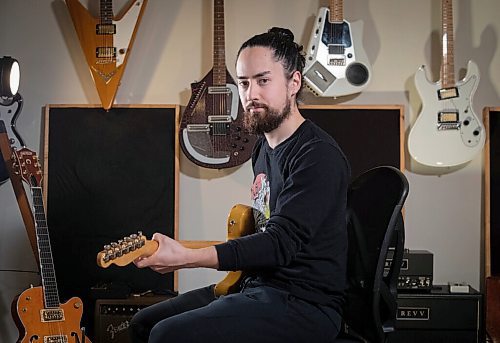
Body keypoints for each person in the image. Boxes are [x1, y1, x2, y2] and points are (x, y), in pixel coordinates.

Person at [129, 27, 350, 343]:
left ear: (294, 82)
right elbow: (263, 232)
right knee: (144, 323)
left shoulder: (317, 156)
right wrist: (174, 248)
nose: (251, 94)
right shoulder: (262, 148)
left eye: (263, 80)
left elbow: (279, 244)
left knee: (167, 335)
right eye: (244, 83)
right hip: (258, 285)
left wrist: (185, 258)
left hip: (305, 303)